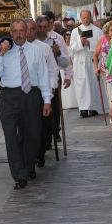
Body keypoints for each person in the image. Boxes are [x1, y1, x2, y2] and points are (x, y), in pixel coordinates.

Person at [0, 20, 52, 189]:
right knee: (11, 137)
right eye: (15, 31)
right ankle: (19, 175)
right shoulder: (4, 51)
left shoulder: (36, 51)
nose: (18, 34)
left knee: (32, 135)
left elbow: (43, 75)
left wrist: (47, 100)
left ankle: (29, 165)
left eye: (21, 31)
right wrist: (0, 54)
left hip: (31, 95)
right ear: (10, 33)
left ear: (27, 32)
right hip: (9, 97)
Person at [25, 19, 58, 169]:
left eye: (33, 29)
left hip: (41, 91)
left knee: (42, 127)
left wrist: (50, 89)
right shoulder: (15, 48)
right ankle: (29, 157)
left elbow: (52, 70)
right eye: (27, 29)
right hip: (23, 92)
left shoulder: (44, 48)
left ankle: (40, 152)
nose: (30, 32)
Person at [37, 14, 70, 146]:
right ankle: (44, 135)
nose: (42, 29)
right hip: (37, 79)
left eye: (45, 26)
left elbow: (65, 62)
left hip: (53, 77)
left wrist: (58, 53)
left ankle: (55, 131)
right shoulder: (32, 40)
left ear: (49, 25)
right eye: (39, 26)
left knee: (55, 107)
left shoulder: (57, 38)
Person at [69, 10, 103, 117]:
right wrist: (81, 43)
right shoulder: (75, 31)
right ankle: (83, 108)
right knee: (82, 85)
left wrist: (89, 43)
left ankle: (93, 107)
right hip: (79, 61)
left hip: (91, 60)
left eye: (88, 17)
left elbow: (101, 46)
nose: (86, 20)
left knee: (93, 84)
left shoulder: (97, 31)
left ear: (91, 17)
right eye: (83, 18)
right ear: (80, 18)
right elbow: (71, 48)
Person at [93, 20, 112, 125]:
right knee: (110, 96)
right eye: (111, 30)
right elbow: (95, 54)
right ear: (108, 32)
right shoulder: (103, 40)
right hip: (107, 72)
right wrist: (96, 67)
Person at [60, 30, 77, 111]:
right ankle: (66, 103)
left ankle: (74, 102)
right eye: (66, 37)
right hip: (65, 67)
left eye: (69, 37)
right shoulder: (63, 47)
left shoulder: (72, 46)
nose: (68, 39)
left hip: (73, 66)